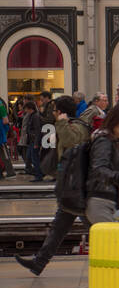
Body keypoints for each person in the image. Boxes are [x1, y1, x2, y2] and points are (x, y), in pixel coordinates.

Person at [14, 96, 99, 276]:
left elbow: (71, 141)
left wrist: (60, 125)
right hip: (70, 187)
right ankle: (39, 263)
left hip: (78, 189)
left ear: (60, 112)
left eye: (54, 110)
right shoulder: (70, 126)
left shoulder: (77, 127)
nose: (52, 113)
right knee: (59, 228)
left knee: (94, 227)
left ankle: (117, 252)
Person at [22, 99, 44, 181]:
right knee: (31, 157)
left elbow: (38, 130)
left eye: (26, 109)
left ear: (30, 108)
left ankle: (38, 175)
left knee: (35, 158)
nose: (25, 110)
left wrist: (36, 143)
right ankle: (38, 174)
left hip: (34, 141)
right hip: (32, 140)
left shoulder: (35, 116)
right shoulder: (33, 116)